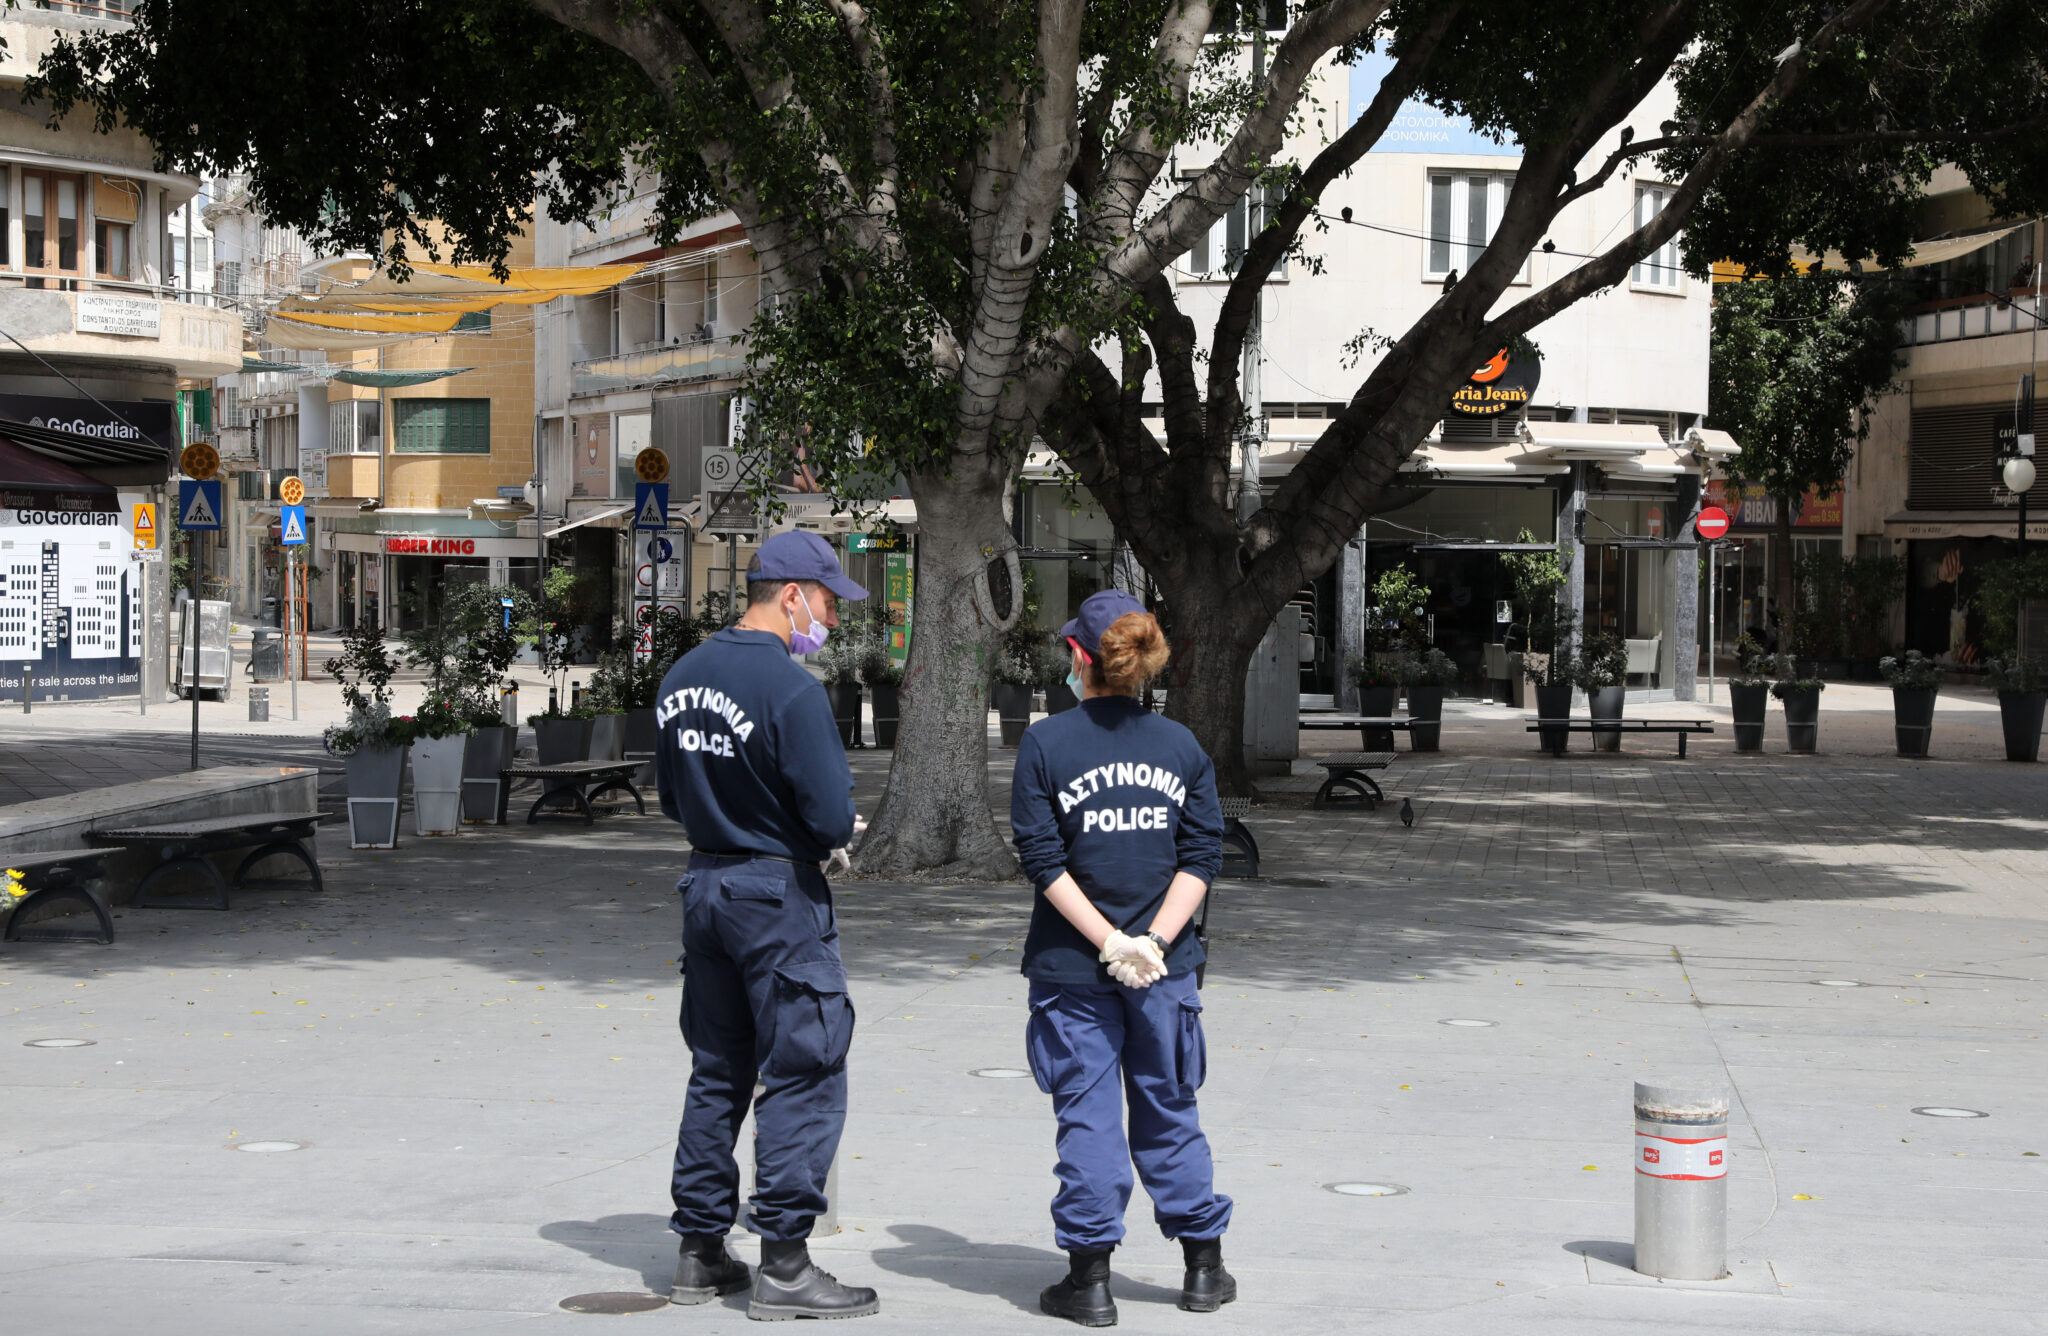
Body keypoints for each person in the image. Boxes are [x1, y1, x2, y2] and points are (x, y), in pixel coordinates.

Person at [654, 529, 879, 1320]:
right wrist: (835, 828)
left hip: (705, 883)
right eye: (825, 602)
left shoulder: (682, 675)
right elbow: (824, 815)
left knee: (718, 1067)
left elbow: (672, 798)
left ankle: (699, 1249)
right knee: (804, 1069)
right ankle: (783, 1262)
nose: (831, 618)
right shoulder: (790, 689)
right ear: (790, 595)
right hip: (777, 896)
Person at [1008, 589, 1235, 1326]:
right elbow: (1203, 855)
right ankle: (1203, 1268)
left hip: (1074, 969)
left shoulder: (1047, 744)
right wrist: (1153, 944)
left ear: (1081, 657)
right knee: (1170, 1105)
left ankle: (1091, 1280)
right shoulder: (1181, 747)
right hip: (1165, 970)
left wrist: (1107, 943)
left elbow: (1042, 859)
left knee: (1089, 1116)